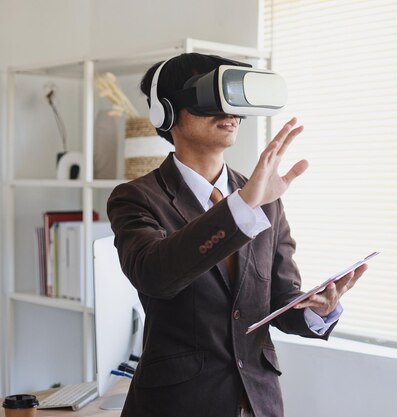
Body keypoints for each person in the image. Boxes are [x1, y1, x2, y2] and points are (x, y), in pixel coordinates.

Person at [106, 53, 368, 417]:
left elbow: (279, 299)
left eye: (233, 98)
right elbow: (155, 275)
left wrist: (317, 309)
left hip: (257, 402)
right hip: (177, 405)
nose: (229, 111)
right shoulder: (136, 198)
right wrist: (243, 206)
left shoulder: (264, 195)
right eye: (210, 99)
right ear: (166, 113)